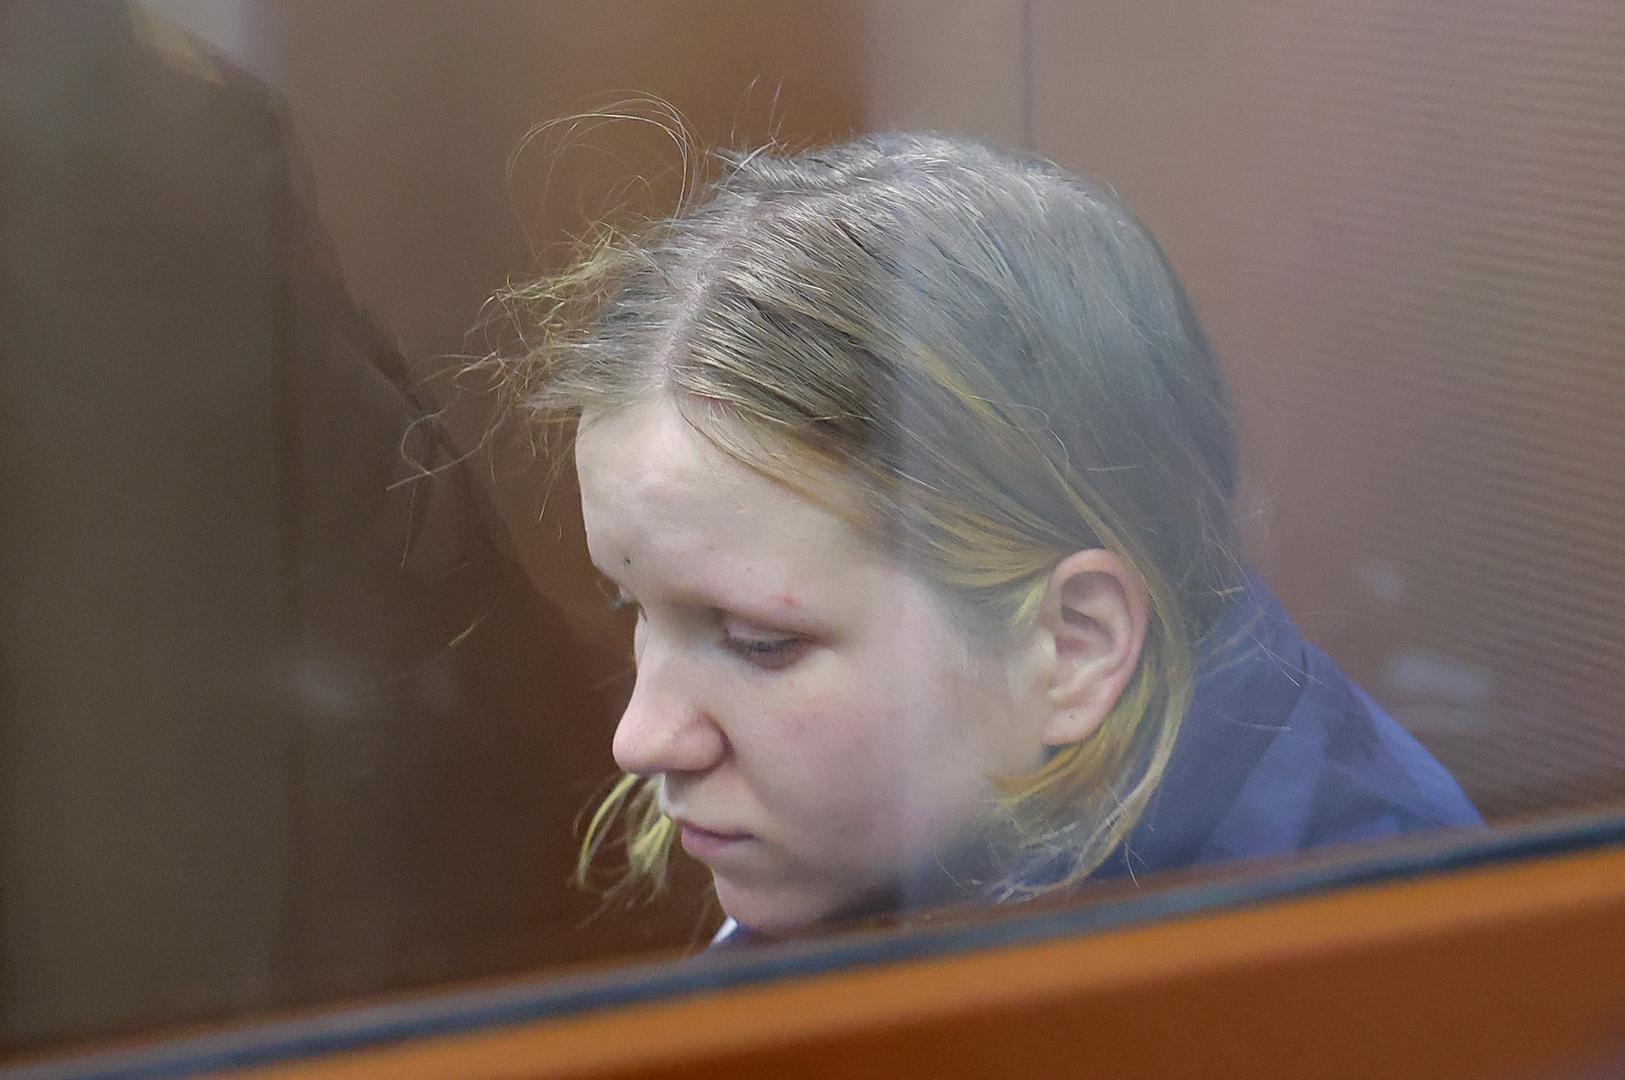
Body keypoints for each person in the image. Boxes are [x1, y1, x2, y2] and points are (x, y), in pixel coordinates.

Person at [501, 132, 1481, 947]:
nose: (641, 738)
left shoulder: (1358, 966)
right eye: (636, 609)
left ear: (1071, 646)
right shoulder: (904, 851)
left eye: (761, 642)